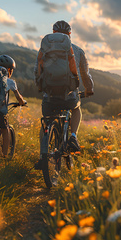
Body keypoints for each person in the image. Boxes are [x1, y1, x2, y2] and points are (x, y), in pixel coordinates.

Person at [34, 20, 94, 169]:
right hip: (69, 95)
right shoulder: (77, 50)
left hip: (49, 95)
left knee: (46, 123)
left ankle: (43, 155)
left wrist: (41, 87)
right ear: (69, 35)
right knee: (76, 108)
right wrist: (89, 89)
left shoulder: (44, 49)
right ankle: (73, 136)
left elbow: (37, 70)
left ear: (53, 33)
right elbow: (85, 74)